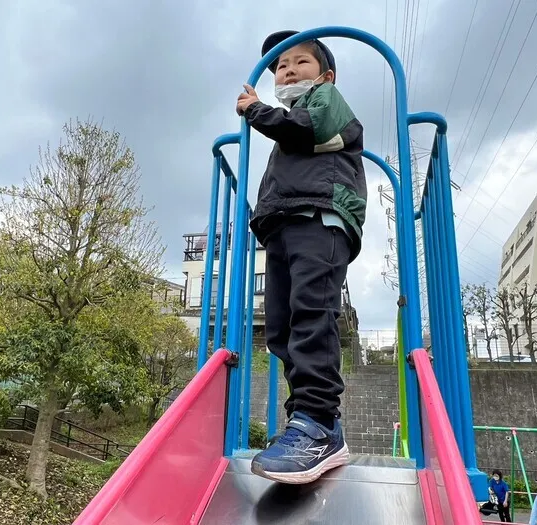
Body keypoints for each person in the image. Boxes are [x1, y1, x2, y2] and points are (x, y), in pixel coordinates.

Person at [235, 30, 367, 484]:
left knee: (311, 313)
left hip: (320, 218)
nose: (288, 70)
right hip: (285, 225)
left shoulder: (327, 100)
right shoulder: (288, 123)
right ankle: (307, 423)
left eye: (300, 62)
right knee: (282, 329)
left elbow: (304, 130)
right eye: (281, 66)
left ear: (325, 73)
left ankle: (318, 421)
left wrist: (254, 110)